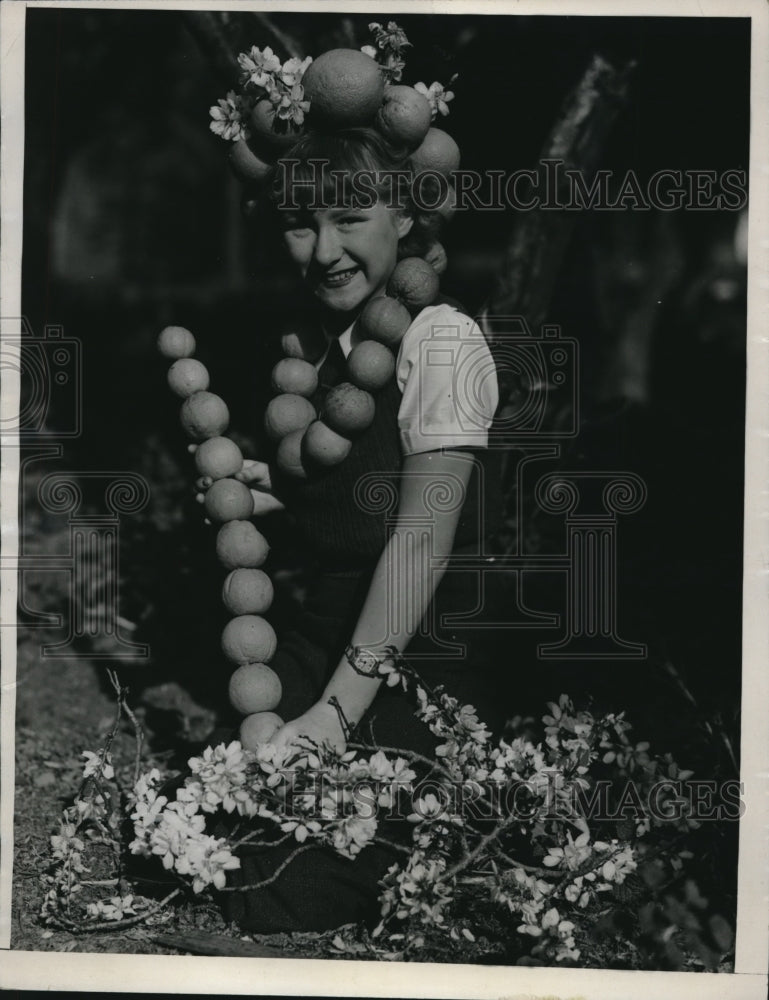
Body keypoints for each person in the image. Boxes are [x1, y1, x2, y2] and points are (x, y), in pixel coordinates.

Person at [204, 127, 507, 933]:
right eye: (301, 224)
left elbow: (421, 539)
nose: (324, 250)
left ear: (405, 214)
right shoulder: (333, 346)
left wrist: (333, 718)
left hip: (427, 657)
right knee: (206, 818)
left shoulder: (442, 342)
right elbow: (358, 499)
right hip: (326, 632)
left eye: (349, 218)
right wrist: (269, 492)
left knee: (278, 887)